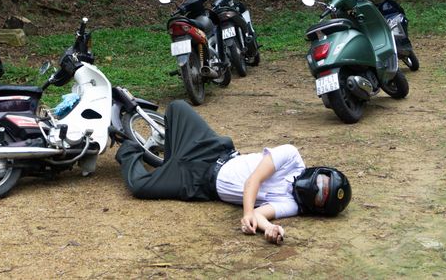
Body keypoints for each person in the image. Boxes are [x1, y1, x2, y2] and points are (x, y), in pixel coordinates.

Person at [116, 100, 351, 245]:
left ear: (318, 208)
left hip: (198, 183)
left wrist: (269, 228)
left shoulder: (292, 204)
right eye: (322, 182)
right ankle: (168, 161)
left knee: (140, 186)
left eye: (321, 195)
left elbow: (262, 214)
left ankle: (127, 145)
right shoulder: (291, 156)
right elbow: (254, 180)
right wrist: (247, 212)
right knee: (177, 107)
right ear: (320, 171)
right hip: (213, 151)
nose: (316, 188)